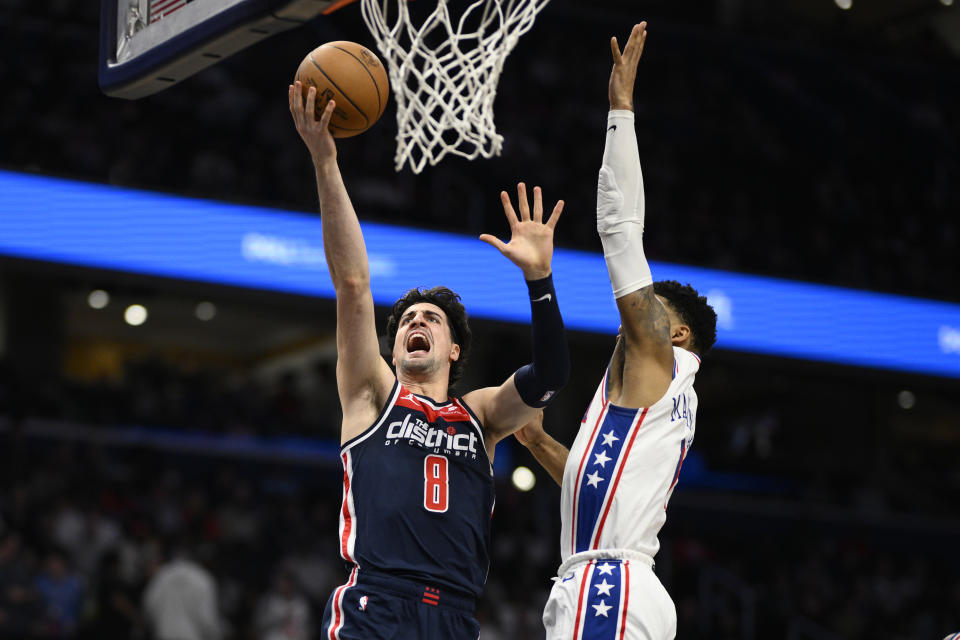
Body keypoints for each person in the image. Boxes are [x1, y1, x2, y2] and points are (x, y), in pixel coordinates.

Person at [288, 80, 571, 639]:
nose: (417, 323)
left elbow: (552, 376)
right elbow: (352, 283)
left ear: (454, 349)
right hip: (377, 603)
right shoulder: (372, 395)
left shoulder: (481, 416)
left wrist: (539, 279)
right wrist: (325, 160)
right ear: (392, 348)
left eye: (431, 320)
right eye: (407, 322)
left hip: (457, 616)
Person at [513, 22, 718, 640]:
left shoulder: (658, 356)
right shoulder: (657, 396)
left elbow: (621, 232)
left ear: (675, 331)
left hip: (609, 587)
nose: (630, 316)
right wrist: (541, 445)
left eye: (646, 307)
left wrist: (620, 111)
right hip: (613, 585)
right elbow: (606, 481)